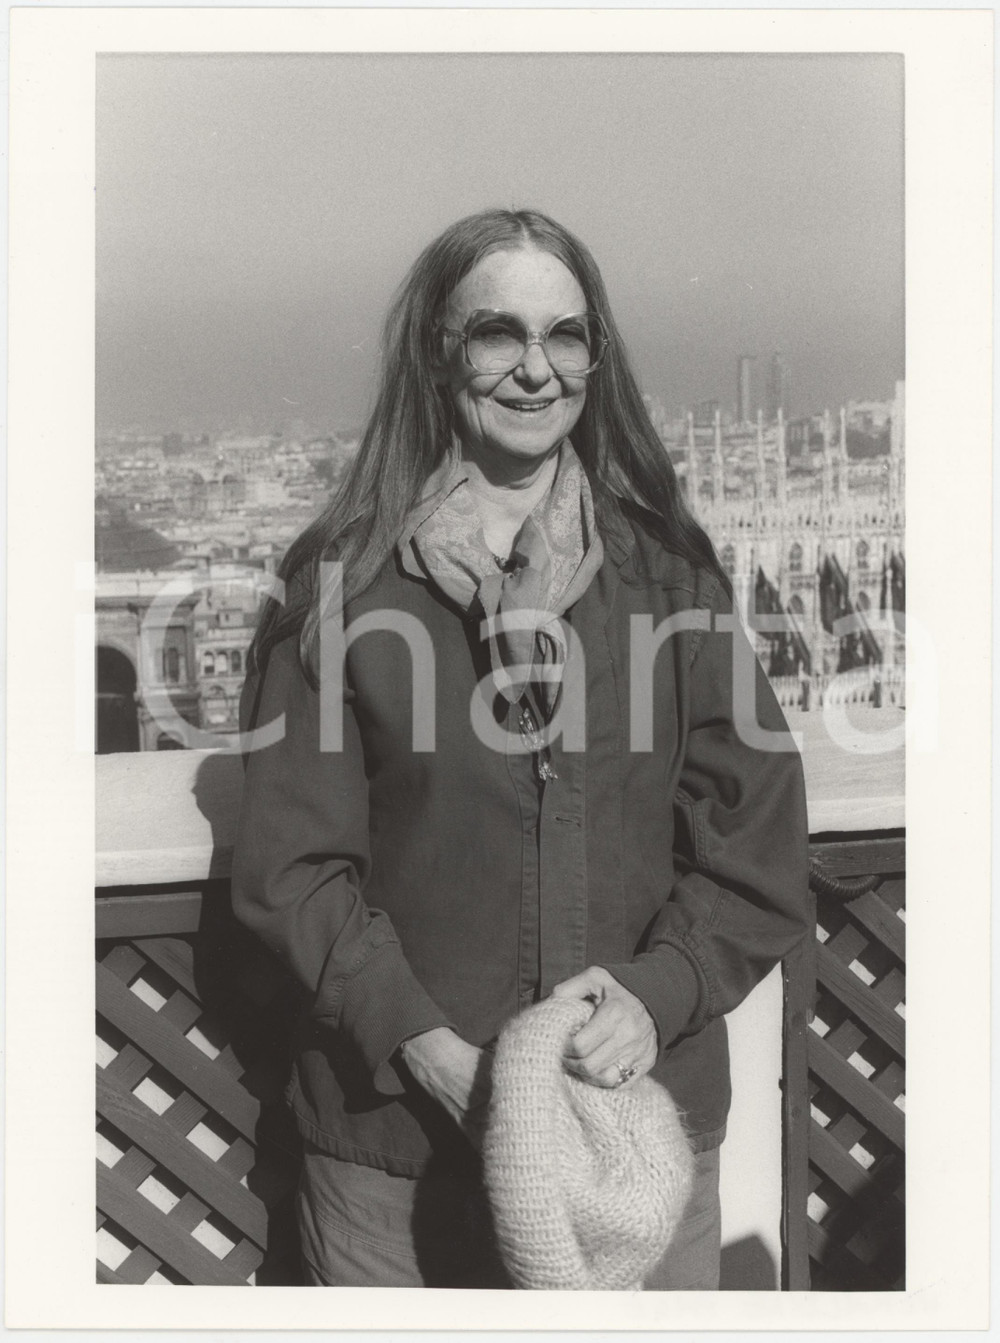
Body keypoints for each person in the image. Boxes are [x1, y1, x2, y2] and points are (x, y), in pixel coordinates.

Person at [231, 207, 810, 1290]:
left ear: (597, 355)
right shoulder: (340, 586)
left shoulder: (670, 581)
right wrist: (425, 1048)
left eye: (567, 335)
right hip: (402, 1150)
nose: (537, 370)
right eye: (498, 334)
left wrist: (661, 990)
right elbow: (291, 864)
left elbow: (757, 841)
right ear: (437, 356)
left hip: (629, 1152)